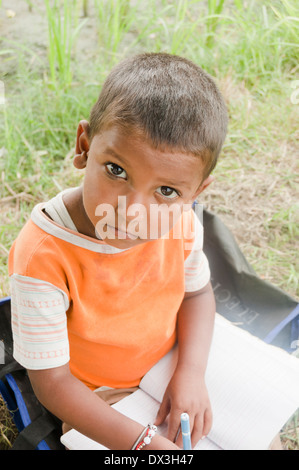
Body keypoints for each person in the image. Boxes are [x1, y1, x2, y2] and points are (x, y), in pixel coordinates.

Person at [8, 52, 228, 450]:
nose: (133, 211)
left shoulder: (179, 223)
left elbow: (197, 295)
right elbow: (52, 383)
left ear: (195, 193)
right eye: (117, 170)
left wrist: (191, 373)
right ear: (84, 145)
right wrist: (142, 444)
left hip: (171, 365)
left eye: (166, 191)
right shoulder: (42, 256)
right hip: (100, 395)